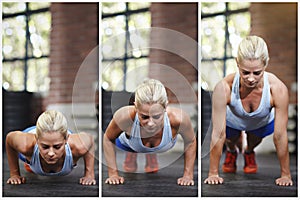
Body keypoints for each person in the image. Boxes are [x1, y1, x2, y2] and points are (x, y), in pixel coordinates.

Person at [204, 35, 293, 186]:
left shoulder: (278, 89)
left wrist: (286, 175)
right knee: (230, 139)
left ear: (266, 64)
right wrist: (213, 173)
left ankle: (249, 151)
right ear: (237, 63)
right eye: (245, 72)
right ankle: (232, 151)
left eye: (257, 73)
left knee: (254, 140)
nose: (251, 79)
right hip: (234, 119)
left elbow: (280, 135)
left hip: (261, 120)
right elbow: (218, 133)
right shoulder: (224, 88)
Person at [103, 79, 196, 185]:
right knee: (130, 165)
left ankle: (149, 152)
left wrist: (188, 175)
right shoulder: (124, 116)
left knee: (150, 154)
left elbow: (191, 141)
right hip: (128, 144)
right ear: (136, 107)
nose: (151, 123)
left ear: (165, 106)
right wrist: (113, 174)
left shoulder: (179, 119)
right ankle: (133, 151)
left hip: (160, 143)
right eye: (144, 117)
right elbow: (108, 138)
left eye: (156, 116)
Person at [6, 110, 96, 185]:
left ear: (66, 139)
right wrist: (14, 174)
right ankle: (30, 162)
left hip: (59, 134)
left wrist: (89, 174)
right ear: (36, 139)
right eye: (45, 147)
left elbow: (90, 140)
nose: (51, 153)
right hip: (36, 139)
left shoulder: (78, 146)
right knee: (27, 156)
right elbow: (9, 138)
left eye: (57, 147)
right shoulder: (26, 145)